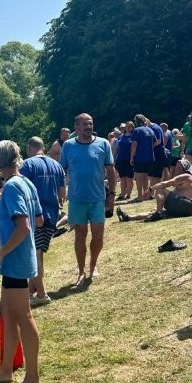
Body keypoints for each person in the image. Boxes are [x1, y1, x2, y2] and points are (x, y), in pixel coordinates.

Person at [0, 140, 43, 383]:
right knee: (8, 315)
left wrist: (0, 255)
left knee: (23, 317)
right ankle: (5, 371)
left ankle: (32, 378)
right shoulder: (26, 182)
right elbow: (39, 220)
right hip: (19, 259)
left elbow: (24, 226)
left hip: (16, 261)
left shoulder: (11, 187)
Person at [60, 113, 116, 286]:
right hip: (76, 199)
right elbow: (62, 171)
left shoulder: (103, 143)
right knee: (80, 235)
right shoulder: (68, 145)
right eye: (84, 124)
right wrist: (60, 191)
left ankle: (93, 265)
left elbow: (111, 170)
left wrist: (112, 195)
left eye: (90, 124)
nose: (88, 127)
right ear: (76, 127)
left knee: (98, 236)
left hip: (98, 198)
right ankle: (81, 271)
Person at [19, 136, 66, 305]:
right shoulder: (57, 165)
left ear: (29, 147)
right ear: (43, 148)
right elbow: (62, 193)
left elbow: (21, 189)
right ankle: (30, 292)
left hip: (34, 215)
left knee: (34, 255)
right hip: (51, 215)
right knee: (38, 254)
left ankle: (42, 294)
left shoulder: (27, 165)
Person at [116, 159, 192, 222]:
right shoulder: (186, 182)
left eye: (180, 167)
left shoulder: (186, 176)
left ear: (185, 168)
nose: (177, 168)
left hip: (185, 206)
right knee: (152, 213)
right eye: (177, 166)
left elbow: (165, 183)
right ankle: (128, 217)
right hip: (187, 209)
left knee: (160, 189)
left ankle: (158, 213)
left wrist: (150, 189)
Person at [130, 114, 155, 201]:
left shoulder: (137, 130)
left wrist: (131, 157)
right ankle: (146, 195)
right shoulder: (150, 130)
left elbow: (134, 145)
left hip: (140, 157)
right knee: (145, 177)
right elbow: (156, 142)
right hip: (150, 157)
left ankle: (140, 196)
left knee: (139, 177)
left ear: (136, 121)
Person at [114, 121, 135, 200]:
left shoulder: (134, 136)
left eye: (130, 127)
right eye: (127, 127)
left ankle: (128, 194)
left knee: (129, 178)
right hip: (120, 159)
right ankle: (122, 194)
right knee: (122, 178)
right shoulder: (121, 136)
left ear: (133, 128)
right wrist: (114, 157)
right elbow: (117, 148)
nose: (128, 128)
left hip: (129, 160)